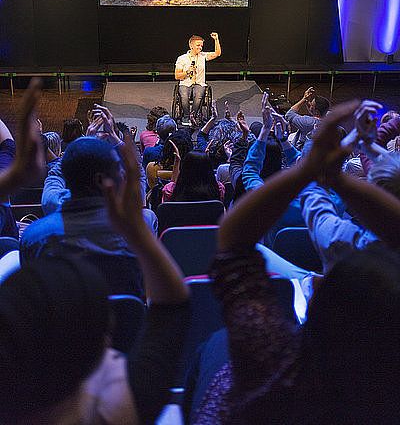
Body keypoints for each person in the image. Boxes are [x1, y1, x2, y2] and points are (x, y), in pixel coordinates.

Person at [191, 101, 400, 424]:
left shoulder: (272, 362)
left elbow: (233, 238)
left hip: (297, 271)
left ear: (320, 305)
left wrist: (313, 167)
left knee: (217, 343)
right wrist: (331, 171)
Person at [0, 110, 191, 425]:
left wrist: (76, 146)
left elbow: (54, 186)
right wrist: (125, 157)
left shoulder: (38, 232)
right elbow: (173, 309)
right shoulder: (141, 223)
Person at [21, 135, 158, 299]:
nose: (122, 173)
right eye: (117, 167)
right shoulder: (141, 228)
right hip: (125, 323)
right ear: (100, 180)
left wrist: (79, 146)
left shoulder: (34, 236)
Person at [175, 33, 222, 126]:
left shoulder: (203, 56)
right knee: (184, 96)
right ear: (191, 45)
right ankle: (186, 116)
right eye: (198, 45)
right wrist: (187, 72)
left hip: (199, 83)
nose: (200, 47)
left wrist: (216, 40)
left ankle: (194, 116)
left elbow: (217, 53)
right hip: (186, 82)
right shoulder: (182, 58)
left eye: (201, 45)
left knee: (199, 96)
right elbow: (177, 76)